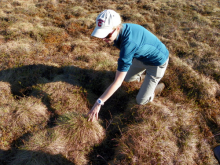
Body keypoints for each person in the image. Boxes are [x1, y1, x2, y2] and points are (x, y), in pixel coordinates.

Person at [87, 9, 169, 122]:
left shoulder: (128, 45)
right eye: (102, 35)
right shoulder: (120, 30)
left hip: (157, 63)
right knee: (127, 78)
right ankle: (145, 79)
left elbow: (117, 82)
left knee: (141, 100)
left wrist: (99, 102)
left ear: (117, 28)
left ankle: (156, 88)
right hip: (141, 56)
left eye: (107, 35)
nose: (104, 39)